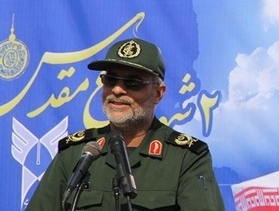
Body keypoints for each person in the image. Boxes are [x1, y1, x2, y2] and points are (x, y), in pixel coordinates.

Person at [26, 37, 225, 210]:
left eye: (133, 83)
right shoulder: (77, 153)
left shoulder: (186, 158)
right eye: (110, 80)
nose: (118, 90)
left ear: (158, 94)